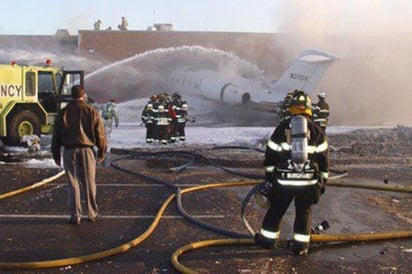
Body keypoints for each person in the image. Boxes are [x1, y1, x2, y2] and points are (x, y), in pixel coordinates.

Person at [254, 90, 329, 256]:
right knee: (304, 213)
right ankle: (300, 246)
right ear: (310, 109)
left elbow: (270, 154)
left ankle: (267, 241)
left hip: (284, 181)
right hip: (308, 182)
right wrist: (322, 182)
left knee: (276, 210)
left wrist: (270, 177)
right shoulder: (317, 131)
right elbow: (324, 160)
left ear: (291, 108)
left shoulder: (282, 128)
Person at [51, 85, 107, 225]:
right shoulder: (91, 111)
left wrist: (56, 154)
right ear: (83, 95)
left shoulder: (63, 112)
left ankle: (75, 216)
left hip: (69, 151)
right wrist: (101, 151)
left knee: (73, 183)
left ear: (71, 95)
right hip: (87, 150)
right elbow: (100, 133)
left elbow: (56, 136)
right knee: (89, 183)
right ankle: (92, 213)